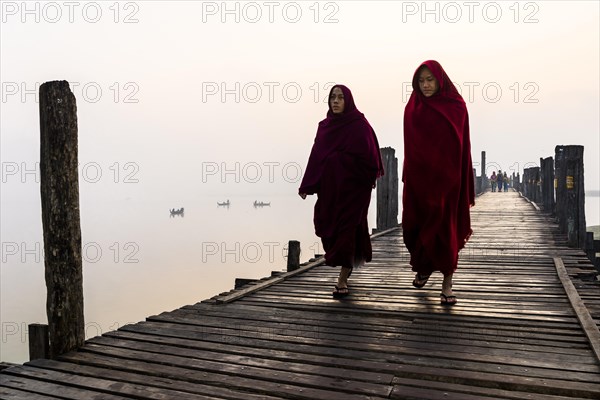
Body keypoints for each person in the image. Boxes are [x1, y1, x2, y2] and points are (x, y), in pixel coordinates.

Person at [299, 85, 384, 298]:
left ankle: (342, 280)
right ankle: (347, 267)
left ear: (349, 100)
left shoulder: (359, 125)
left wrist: (342, 162)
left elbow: (371, 159)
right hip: (330, 191)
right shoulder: (325, 127)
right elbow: (316, 156)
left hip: (355, 192)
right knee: (328, 229)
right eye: (332, 98)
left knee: (348, 232)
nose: (335, 101)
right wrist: (307, 185)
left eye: (340, 98)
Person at [402, 60, 475, 305]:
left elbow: (462, 145)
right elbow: (410, 146)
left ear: (440, 79)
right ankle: (423, 267)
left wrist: (458, 178)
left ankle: (447, 284)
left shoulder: (456, 106)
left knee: (445, 231)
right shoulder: (413, 107)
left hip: (447, 181)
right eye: (420, 81)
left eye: (429, 79)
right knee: (416, 228)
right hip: (418, 181)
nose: (425, 85)